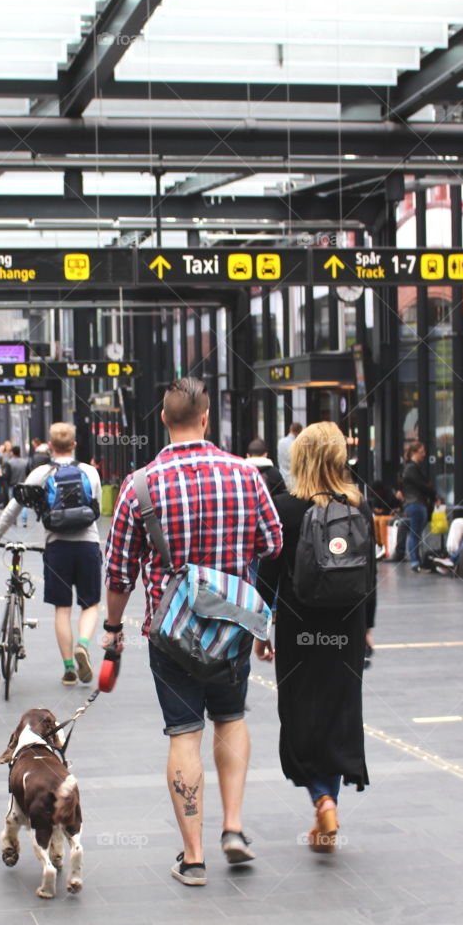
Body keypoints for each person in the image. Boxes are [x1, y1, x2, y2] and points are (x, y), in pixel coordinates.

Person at [103, 378, 282, 886]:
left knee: (184, 734)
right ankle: (234, 827)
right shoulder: (246, 476)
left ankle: (195, 856)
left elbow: (118, 573)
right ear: (206, 418)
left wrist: (113, 630)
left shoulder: (140, 485)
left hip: (171, 633)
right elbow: (272, 542)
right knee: (230, 717)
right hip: (232, 627)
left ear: (163, 419)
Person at [256, 422, 374, 855]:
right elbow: (370, 575)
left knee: (301, 716)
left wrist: (260, 629)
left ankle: (321, 798)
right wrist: (367, 629)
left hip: (299, 627)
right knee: (339, 716)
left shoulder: (285, 508)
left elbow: (268, 574)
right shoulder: (358, 506)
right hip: (346, 628)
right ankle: (330, 804)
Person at [0, 422, 103, 686]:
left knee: (62, 608)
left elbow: (14, 507)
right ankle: (83, 644)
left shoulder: (41, 473)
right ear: (74, 444)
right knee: (90, 604)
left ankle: (69, 668)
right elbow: (95, 506)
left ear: (50, 446)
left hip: (57, 547)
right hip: (87, 545)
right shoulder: (89, 472)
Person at [399, 441, 436, 572]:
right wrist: (432, 493)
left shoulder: (410, 468)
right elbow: (421, 486)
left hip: (414, 504)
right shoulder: (411, 468)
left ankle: (416, 561)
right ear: (415, 453)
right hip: (416, 504)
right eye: (422, 452)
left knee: (414, 533)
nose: (424, 454)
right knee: (415, 534)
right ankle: (416, 562)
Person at [1, 444, 30, 526]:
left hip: (13, 486)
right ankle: (24, 520)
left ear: (12, 452)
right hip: (23, 485)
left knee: (13, 503)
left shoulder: (9, 463)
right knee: (24, 503)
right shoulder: (25, 462)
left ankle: (14, 520)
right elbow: (28, 473)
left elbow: (6, 476)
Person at [276, 422, 302, 487]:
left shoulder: (280, 441)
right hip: (295, 480)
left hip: (282, 477)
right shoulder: (297, 444)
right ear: (298, 432)